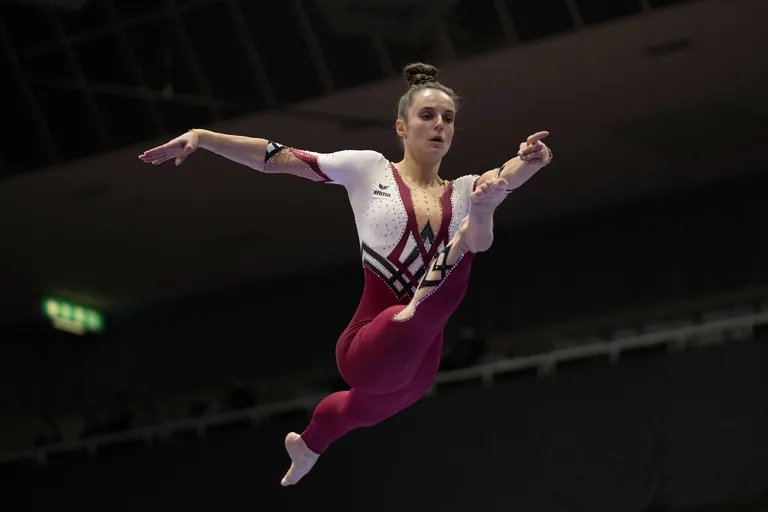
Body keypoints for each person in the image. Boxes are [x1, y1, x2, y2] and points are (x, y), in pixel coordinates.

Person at [139, 62, 553, 486]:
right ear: (401, 127)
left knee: (355, 411)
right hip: (367, 345)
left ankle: (307, 446)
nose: (439, 125)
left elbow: (506, 175)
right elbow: (279, 158)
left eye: (448, 118)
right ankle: (466, 237)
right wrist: (204, 137)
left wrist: (535, 159)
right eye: (428, 115)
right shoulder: (369, 169)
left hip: (419, 363)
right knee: (461, 251)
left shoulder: (465, 189)